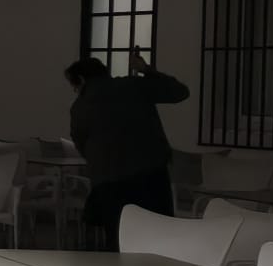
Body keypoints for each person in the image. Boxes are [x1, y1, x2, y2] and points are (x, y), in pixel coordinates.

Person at [67, 47, 190, 247]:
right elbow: (180, 92)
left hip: (108, 179)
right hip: (151, 173)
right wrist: (146, 69)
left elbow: (81, 141)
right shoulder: (134, 86)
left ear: (81, 80)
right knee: (158, 233)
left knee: (118, 237)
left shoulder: (81, 106)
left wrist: (98, 162)